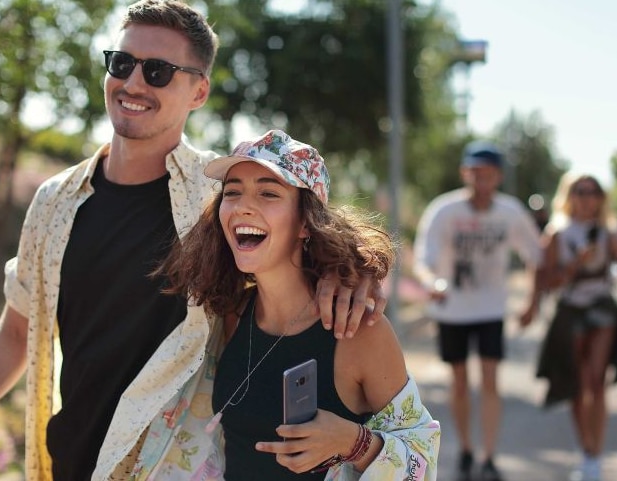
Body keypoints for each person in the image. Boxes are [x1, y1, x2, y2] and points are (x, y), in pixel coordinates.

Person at [0, 2, 385, 481]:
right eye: (122, 64)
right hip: (68, 464)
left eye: (158, 71)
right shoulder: (55, 202)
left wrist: (352, 274)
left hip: (170, 466)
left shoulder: (219, 198)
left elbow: (300, 249)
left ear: (199, 90)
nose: (134, 83)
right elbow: (15, 332)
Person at [157, 129, 441, 480]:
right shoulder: (228, 315)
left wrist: (355, 442)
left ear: (306, 222)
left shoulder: (358, 330)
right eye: (232, 193)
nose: (244, 206)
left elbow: (422, 461)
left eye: (268, 192)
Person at [412, 140, 542, 481]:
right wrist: (432, 283)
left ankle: (489, 455)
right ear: (464, 173)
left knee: (489, 381)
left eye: (487, 173)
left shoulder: (510, 213)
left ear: (497, 176)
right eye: (474, 171)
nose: (480, 179)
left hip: (490, 309)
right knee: (458, 383)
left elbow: (535, 255)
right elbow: (424, 258)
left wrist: (532, 301)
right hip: (452, 310)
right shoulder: (445, 211)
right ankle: (467, 448)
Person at [523, 173, 617, 481]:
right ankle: (587, 450)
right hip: (569, 310)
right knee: (577, 385)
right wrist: (575, 263)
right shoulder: (556, 234)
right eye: (580, 190)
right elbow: (547, 280)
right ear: (569, 195)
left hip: (601, 308)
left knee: (596, 380)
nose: (587, 197)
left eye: (593, 191)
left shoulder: (607, 233)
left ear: (600, 198)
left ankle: (595, 454)